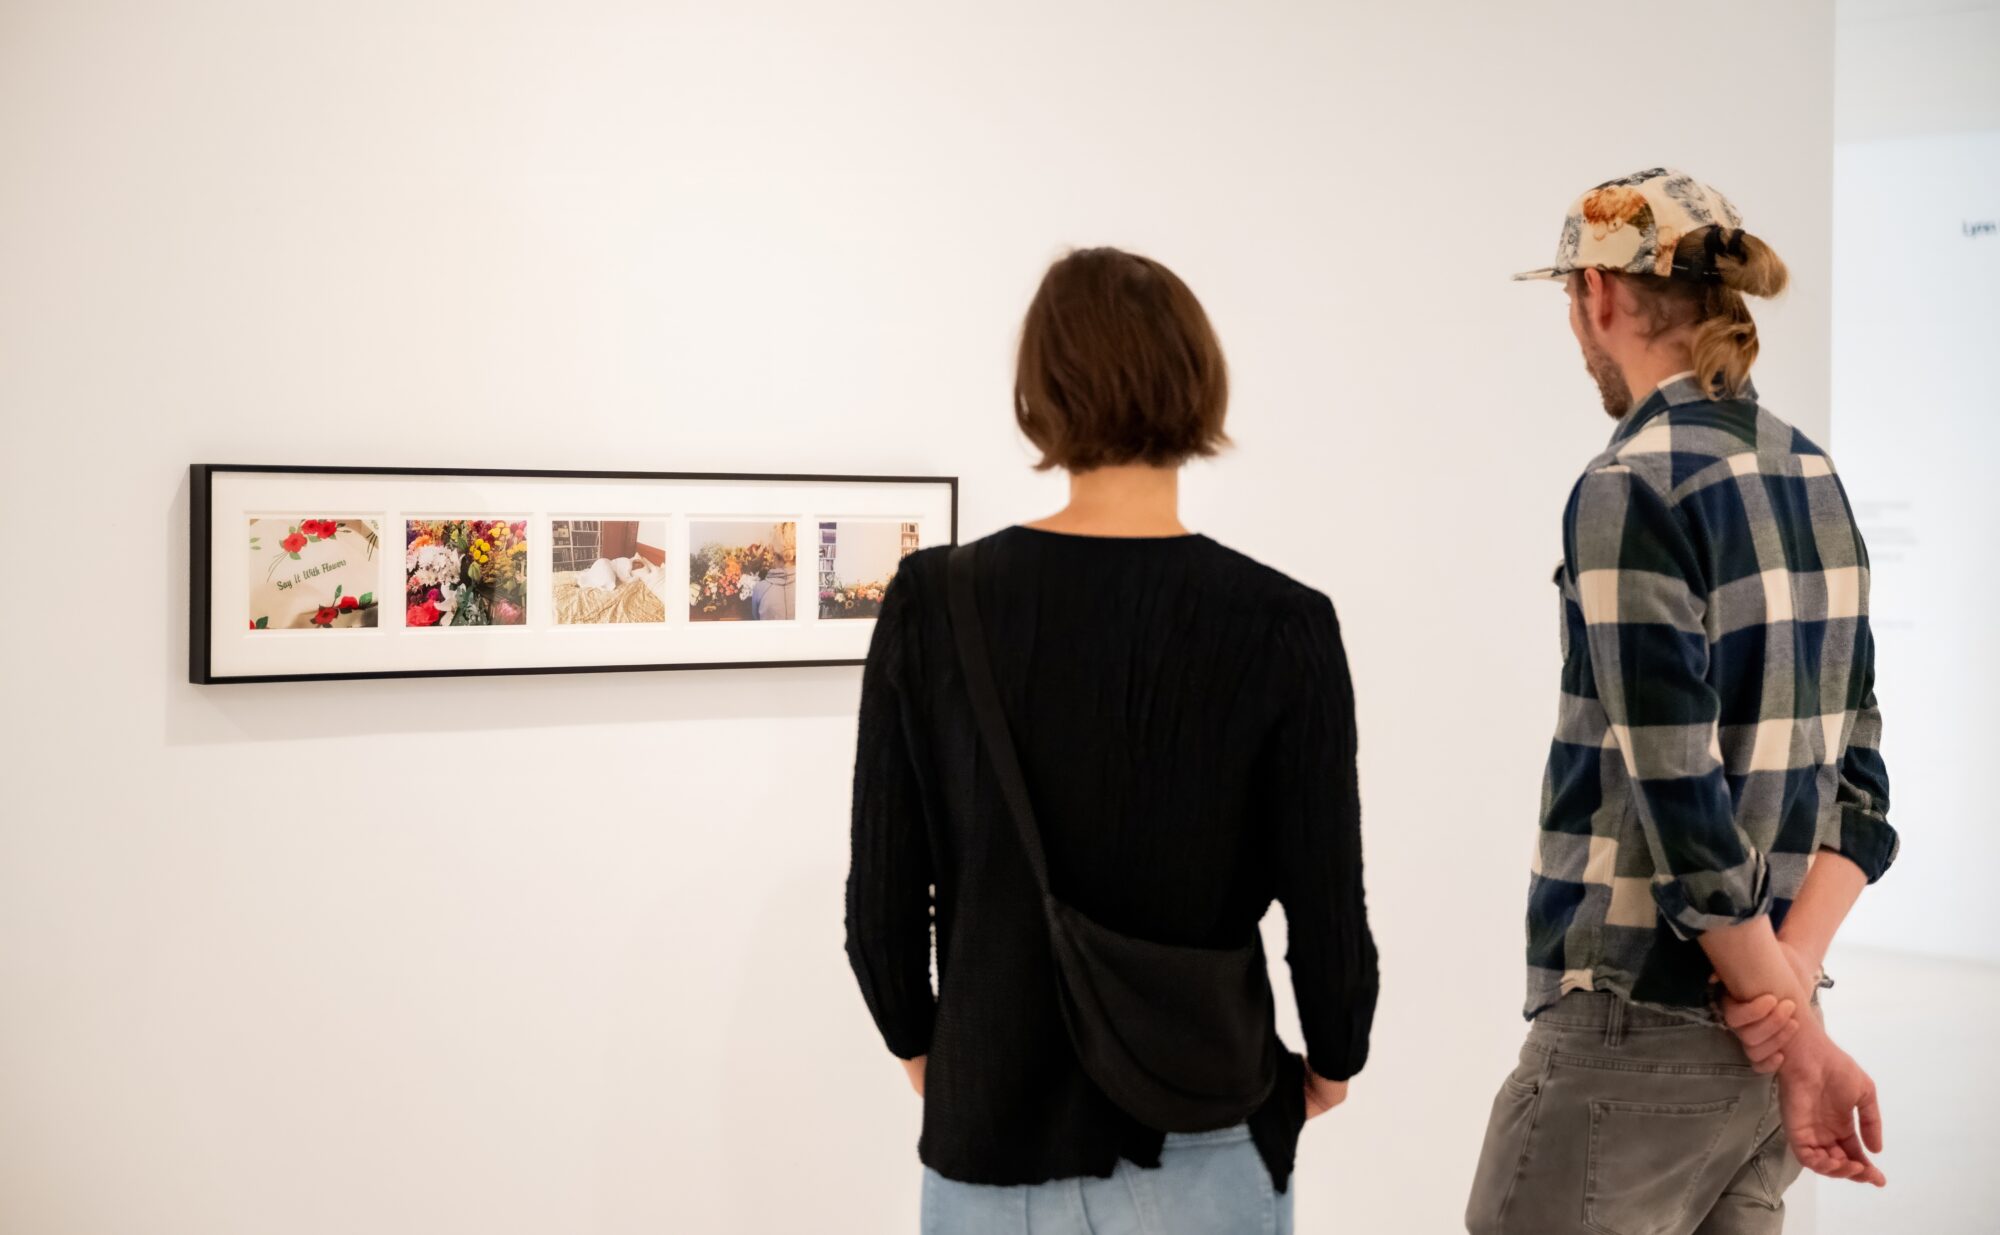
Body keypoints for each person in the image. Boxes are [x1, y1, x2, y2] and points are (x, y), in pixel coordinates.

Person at [845, 247, 1379, 1235]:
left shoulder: (934, 603)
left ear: (1036, 395)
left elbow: (880, 900)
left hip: (987, 1132)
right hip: (1203, 1114)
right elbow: (1324, 899)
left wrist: (931, 1050)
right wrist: (1334, 1054)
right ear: (1198, 384)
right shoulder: (1280, 622)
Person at [1466, 169, 1899, 1235]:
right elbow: (1860, 786)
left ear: (1596, 298)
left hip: (1640, 1027)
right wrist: (1791, 994)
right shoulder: (1809, 472)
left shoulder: (1627, 484)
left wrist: (1789, 1030)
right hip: (1756, 1057)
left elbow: (1679, 801)